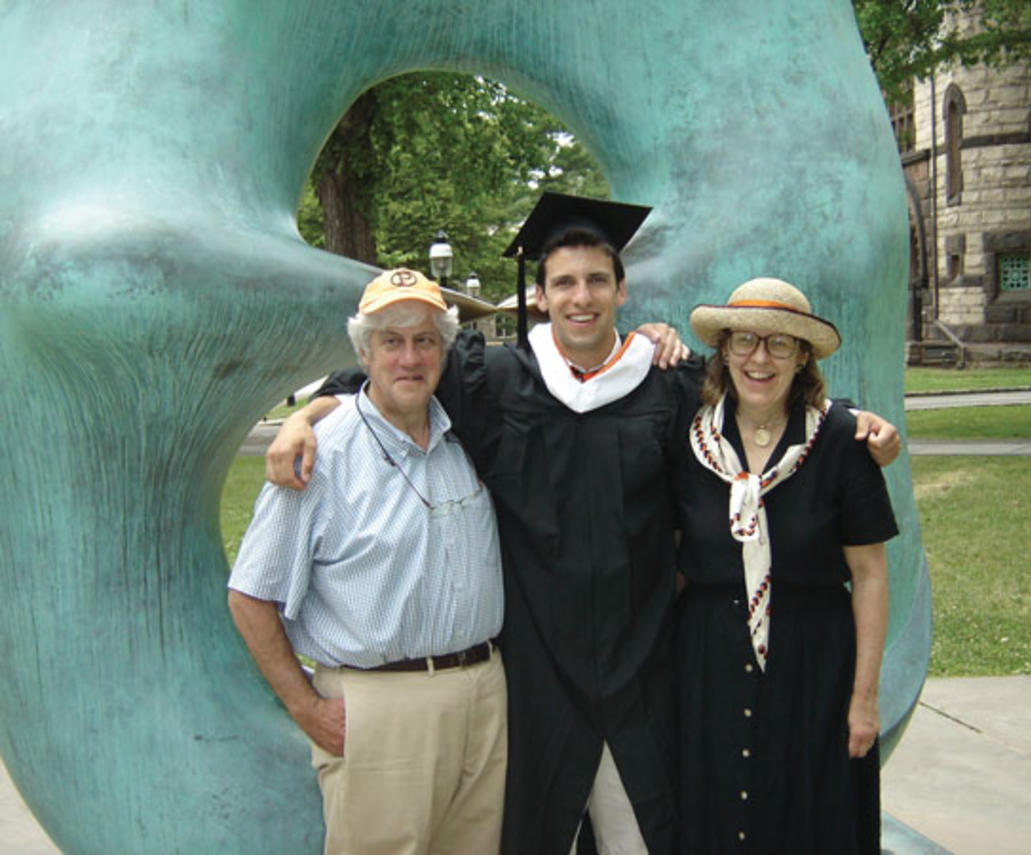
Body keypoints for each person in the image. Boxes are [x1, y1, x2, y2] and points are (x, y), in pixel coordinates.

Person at [266, 194, 901, 855]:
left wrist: (857, 422)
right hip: (537, 671)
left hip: (644, 666)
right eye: (564, 282)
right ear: (539, 295)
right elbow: (387, 373)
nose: (582, 296)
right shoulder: (496, 379)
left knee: (644, 834)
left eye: (598, 279)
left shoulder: (666, 384)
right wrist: (302, 417)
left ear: (622, 290)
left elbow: (760, 396)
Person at [227, 268, 507, 855]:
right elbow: (251, 596)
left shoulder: (466, 439)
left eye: (425, 340)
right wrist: (306, 708)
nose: (410, 357)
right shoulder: (316, 456)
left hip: (482, 698)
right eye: (391, 341)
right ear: (363, 352)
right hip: (380, 709)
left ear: (444, 350)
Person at [675, 277, 898, 854]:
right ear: (723, 349)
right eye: (746, 340)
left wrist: (864, 697)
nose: (760, 358)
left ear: (803, 357)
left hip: (813, 668)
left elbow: (870, 576)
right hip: (707, 668)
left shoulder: (844, 442)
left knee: (809, 821)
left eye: (780, 344)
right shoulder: (689, 440)